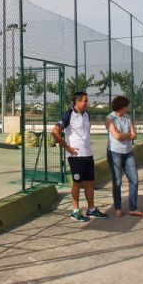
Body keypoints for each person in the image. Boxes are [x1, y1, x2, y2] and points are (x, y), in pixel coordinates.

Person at [53, 91, 108, 222]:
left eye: (87, 101)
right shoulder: (68, 115)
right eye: (85, 101)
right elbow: (55, 132)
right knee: (77, 183)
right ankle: (75, 211)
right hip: (76, 156)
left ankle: (91, 209)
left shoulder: (87, 114)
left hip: (88, 154)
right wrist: (67, 148)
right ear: (77, 102)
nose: (87, 103)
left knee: (90, 183)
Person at [105, 95, 143, 217]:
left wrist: (125, 135)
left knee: (134, 179)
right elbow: (117, 136)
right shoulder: (110, 118)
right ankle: (118, 207)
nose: (128, 108)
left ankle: (133, 208)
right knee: (117, 181)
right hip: (114, 152)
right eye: (126, 106)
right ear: (121, 107)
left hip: (128, 152)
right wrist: (127, 134)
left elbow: (134, 135)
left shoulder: (128, 117)